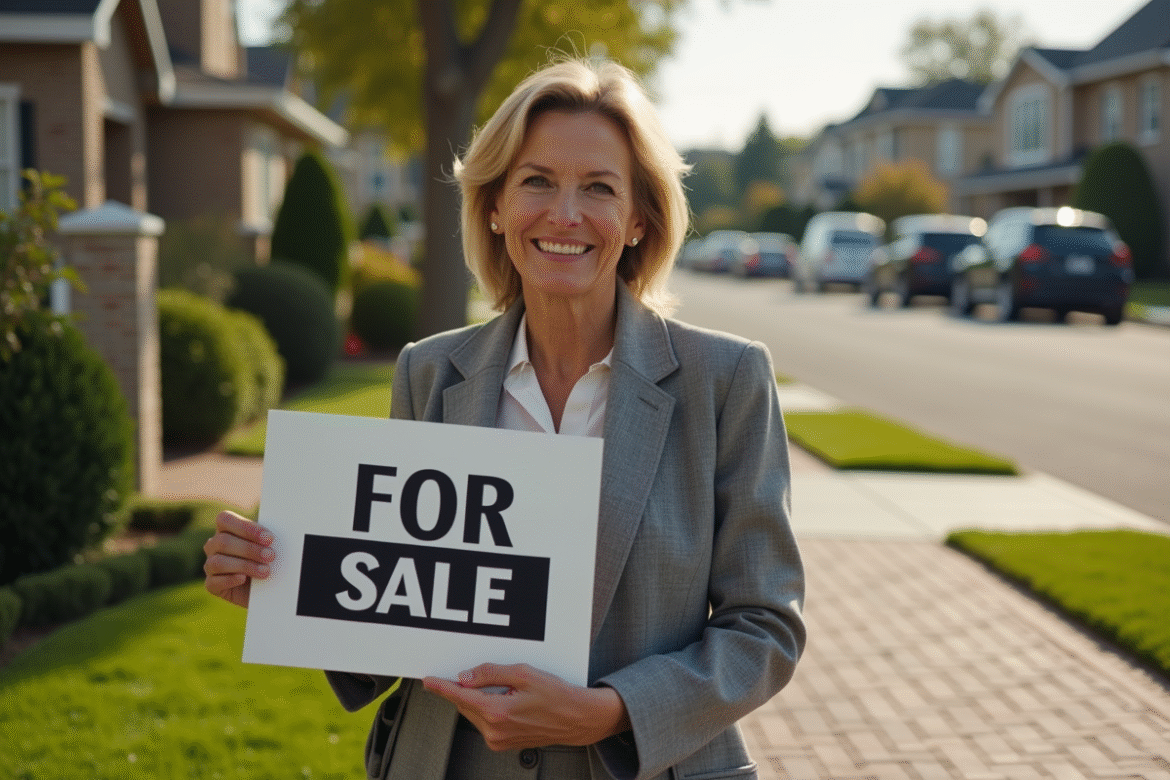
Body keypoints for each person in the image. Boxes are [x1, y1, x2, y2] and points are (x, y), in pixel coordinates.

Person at [204, 56, 805, 780]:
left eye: (599, 189)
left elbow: (764, 627)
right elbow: (397, 617)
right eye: (537, 181)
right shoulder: (428, 373)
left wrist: (610, 711)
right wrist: (282, 589)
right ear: (494, 205)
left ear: (639, 219)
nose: (565, 214)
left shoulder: (727, 381)